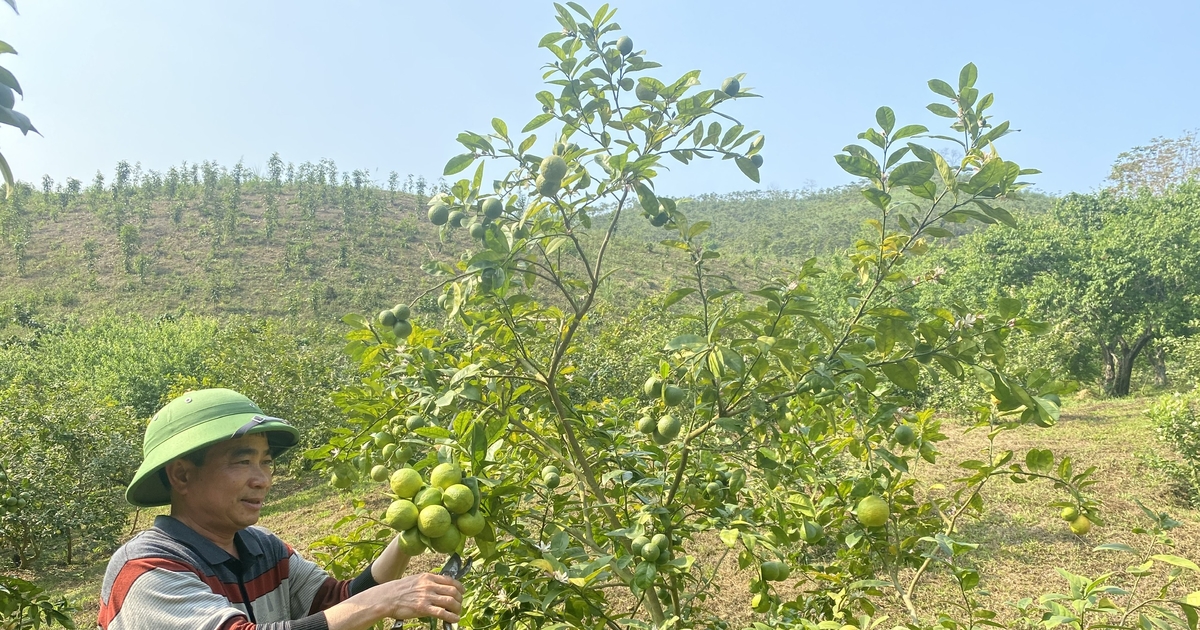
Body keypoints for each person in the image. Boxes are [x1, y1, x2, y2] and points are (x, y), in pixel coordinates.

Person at [98, 388, 464, 630]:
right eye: (242, 462)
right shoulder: (146, 569)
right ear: (182, 474)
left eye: (267, 462)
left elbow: (338, 601)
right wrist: (383, 600)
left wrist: (408, 537)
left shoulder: (263, 549)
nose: (262, 480)